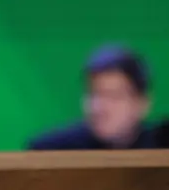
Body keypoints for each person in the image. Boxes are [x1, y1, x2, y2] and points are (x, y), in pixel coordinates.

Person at [28, 45, 156, 150]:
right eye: (93, 94)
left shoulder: (165, 151)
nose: (98, 107)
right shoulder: (50, 152)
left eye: (113, 96)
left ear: (142, 104)